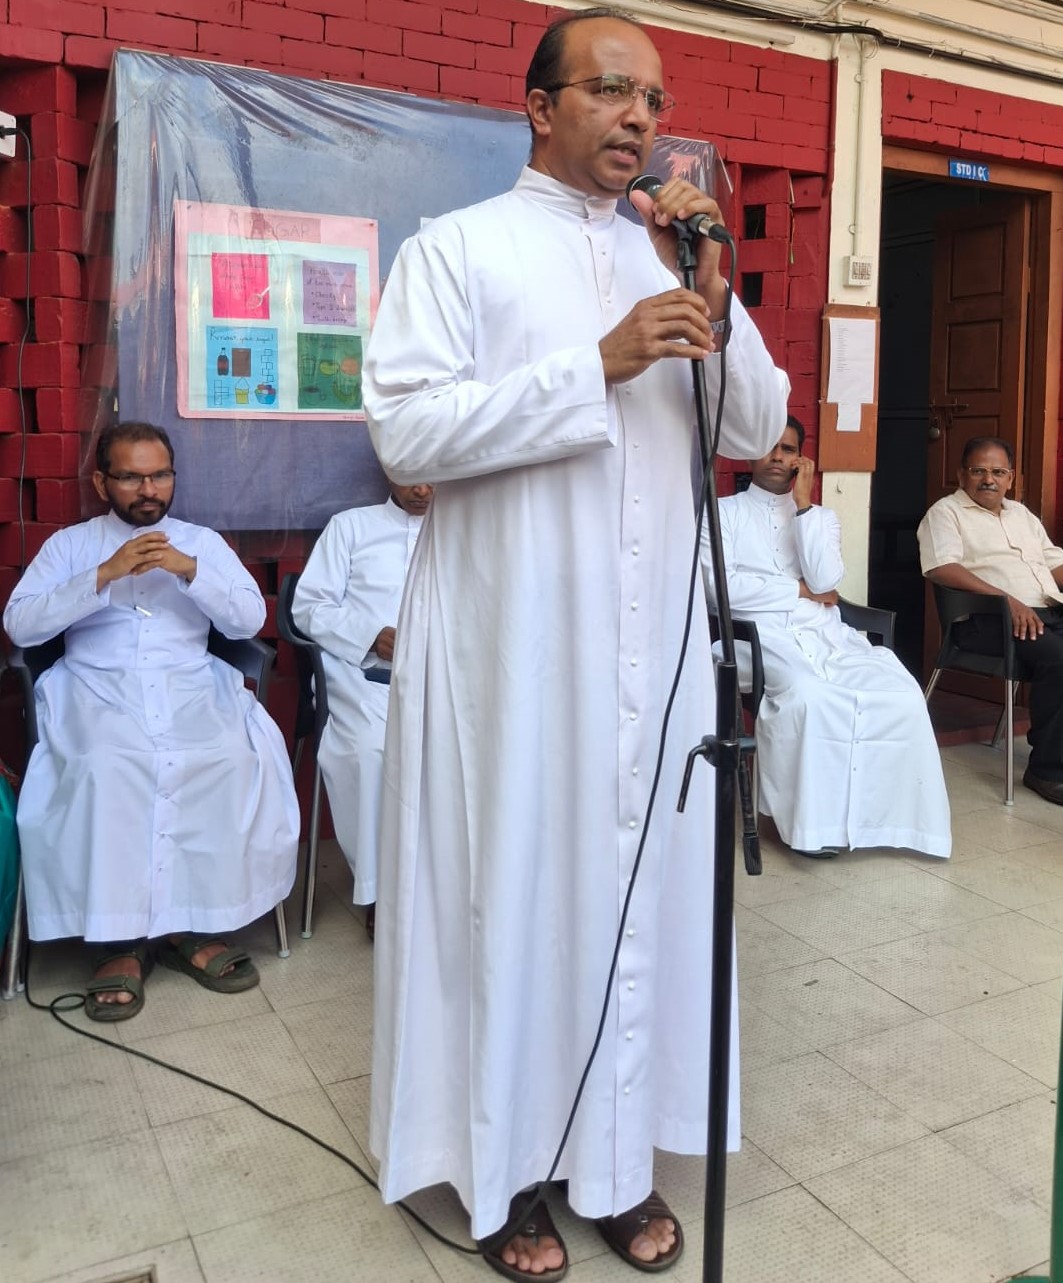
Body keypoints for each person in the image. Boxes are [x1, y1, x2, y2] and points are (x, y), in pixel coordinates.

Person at [362, 8, 789, 1277]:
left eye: (653, 100)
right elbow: (407, 438)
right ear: (540, 106)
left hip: (647, 655)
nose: (641, 120)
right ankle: (507, 1179)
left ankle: (613, 1164)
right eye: (611, 92)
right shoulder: (457, 250)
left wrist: (712, 290)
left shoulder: (670, 263)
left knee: (639, 902)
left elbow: (754, 421)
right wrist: (590, 366)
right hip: (512, 651)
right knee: (517, 899)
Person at [3, 422, 299, 1020]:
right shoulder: (71, 546)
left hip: (190, 683)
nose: (148, 490)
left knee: (228, 757)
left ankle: (195, 924)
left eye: (159, 475)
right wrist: (102, 575)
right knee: (108, 765)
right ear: (101, 481)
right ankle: (119, 941)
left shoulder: (201, 541)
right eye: (132, 476)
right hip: (95, 686)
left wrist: (191, 570)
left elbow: (246, 621)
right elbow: (21, 626)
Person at [705, 417, 951, 858]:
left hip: (826, 635)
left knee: (900, 694)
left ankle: (888, 821)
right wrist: (799, 591)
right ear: (749, 452)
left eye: (788, 448)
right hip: (756, 639)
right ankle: (809, 825)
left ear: (801, 459)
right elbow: (718, 588)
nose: (778, 456)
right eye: (769, 446)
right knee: (810, 697)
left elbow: (826, 577)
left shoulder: (822, 518)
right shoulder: (720, 513)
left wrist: (803, 507)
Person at [291, 482, 432, 934]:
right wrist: (372, 634)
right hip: (361, 672)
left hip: (447, 672)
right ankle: (383, 894)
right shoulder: (351, 527)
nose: (423, 489)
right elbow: (309, 607)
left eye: (433, 474)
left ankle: (452, 888)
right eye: (411, 475)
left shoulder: (466, 528)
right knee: (373, 750)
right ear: (389, 467)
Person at [918, 435, 1063, 804]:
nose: (989, 480)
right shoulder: (945, 512)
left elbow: (1054, 564)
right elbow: (942, 567)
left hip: (1045, 610)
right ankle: (1046, 771)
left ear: (1010, 478)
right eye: (979, 471)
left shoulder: (1021, 515)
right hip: (986, 620)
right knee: (1059, 659)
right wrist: (1004, 598)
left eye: (998, 472)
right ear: (961, 475)